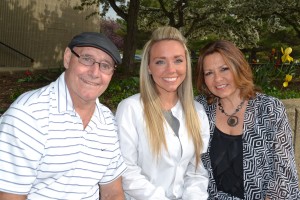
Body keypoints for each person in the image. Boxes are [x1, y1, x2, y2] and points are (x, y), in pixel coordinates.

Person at [0, 32, 127, 199]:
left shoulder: (107, 121)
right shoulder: (28, 116)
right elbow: (10, 196)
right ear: (68, 58)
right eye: (87, 59)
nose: (95, 72)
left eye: (105, 65)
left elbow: (112, 192)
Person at [195, 40, 300, 199]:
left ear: (238, 67)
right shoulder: (198, 109)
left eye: (224, 69)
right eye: (209, 73)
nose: (217, 79)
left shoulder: (270, 108)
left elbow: (284, 176)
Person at [115, 26, 210, 199]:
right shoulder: (130, 109)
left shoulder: (197, 111)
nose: (171, 69)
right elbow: (126, 171)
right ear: (149, 67)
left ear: (187, 65)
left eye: (178, 60)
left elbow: (196, 171)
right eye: (160, 61)